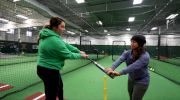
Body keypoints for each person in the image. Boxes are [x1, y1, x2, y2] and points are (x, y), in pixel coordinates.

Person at [37, 17, 88, 100]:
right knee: (51, 95)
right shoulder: (54, 40)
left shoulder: (52, 36)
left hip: (46, 69)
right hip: (49, 70)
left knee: (59, 87)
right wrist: (81, 56)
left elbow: (66, 45)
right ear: (54, 27)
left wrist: (78, 51)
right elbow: (68, 55)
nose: (64, 29)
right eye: (62, 27)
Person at [105, 35, 150, 100]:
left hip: (142, 81)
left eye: (134, 42)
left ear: (140, 44)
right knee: (131, 97)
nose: (131, 43)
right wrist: (111, 68)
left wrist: (119, 72)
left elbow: (133, 66)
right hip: (131, 79)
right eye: (131, 41)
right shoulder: (128, 53)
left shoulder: (145, 56)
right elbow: (120, 59)